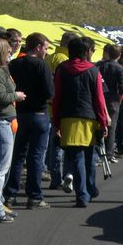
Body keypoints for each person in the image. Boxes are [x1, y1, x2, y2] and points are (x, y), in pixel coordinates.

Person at [52, 37, 108, 208]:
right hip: (89, 118)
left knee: (76, 157)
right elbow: (99, 99)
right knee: (89, 156)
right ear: (86, 51)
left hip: (68, 117)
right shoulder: (93, 70)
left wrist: (56, 121)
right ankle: (87, 191)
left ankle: (83, 192)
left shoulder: (62, 69)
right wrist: (103, 122)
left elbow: (57, 97)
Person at [4, 32, 54, 210]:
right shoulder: (42, 66)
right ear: (38, 47)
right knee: (36, 156)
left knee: (17, 155)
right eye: (46, 48)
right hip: (39, 114)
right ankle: (34, 196)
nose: (46, 52)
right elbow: (49, 92)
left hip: (19, 113)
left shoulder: (15, 64)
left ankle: (10, 194)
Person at [0, 37, 26, 223]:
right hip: (0, 121)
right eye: (7, 50)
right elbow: (0, 96)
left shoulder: (0, 70)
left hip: (3, 121)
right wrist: (17, 96)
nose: (10, 53)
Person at [45, 31, 78, 190]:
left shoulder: (50, 57)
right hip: (61, 107)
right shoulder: (64, 61)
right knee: (60, 145)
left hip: (48, 106)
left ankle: (54, 176)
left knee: (53, 145)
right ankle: (59, 177)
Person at [97, 44, 123, 164]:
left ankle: (98, 152)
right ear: (119, 55)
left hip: (100, 98)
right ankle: (108, 154)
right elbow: (122, 87)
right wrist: (119, 99)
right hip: (113, 100)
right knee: (111, 128)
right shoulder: (119, 69)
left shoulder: (99, 66)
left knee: (99, 125)